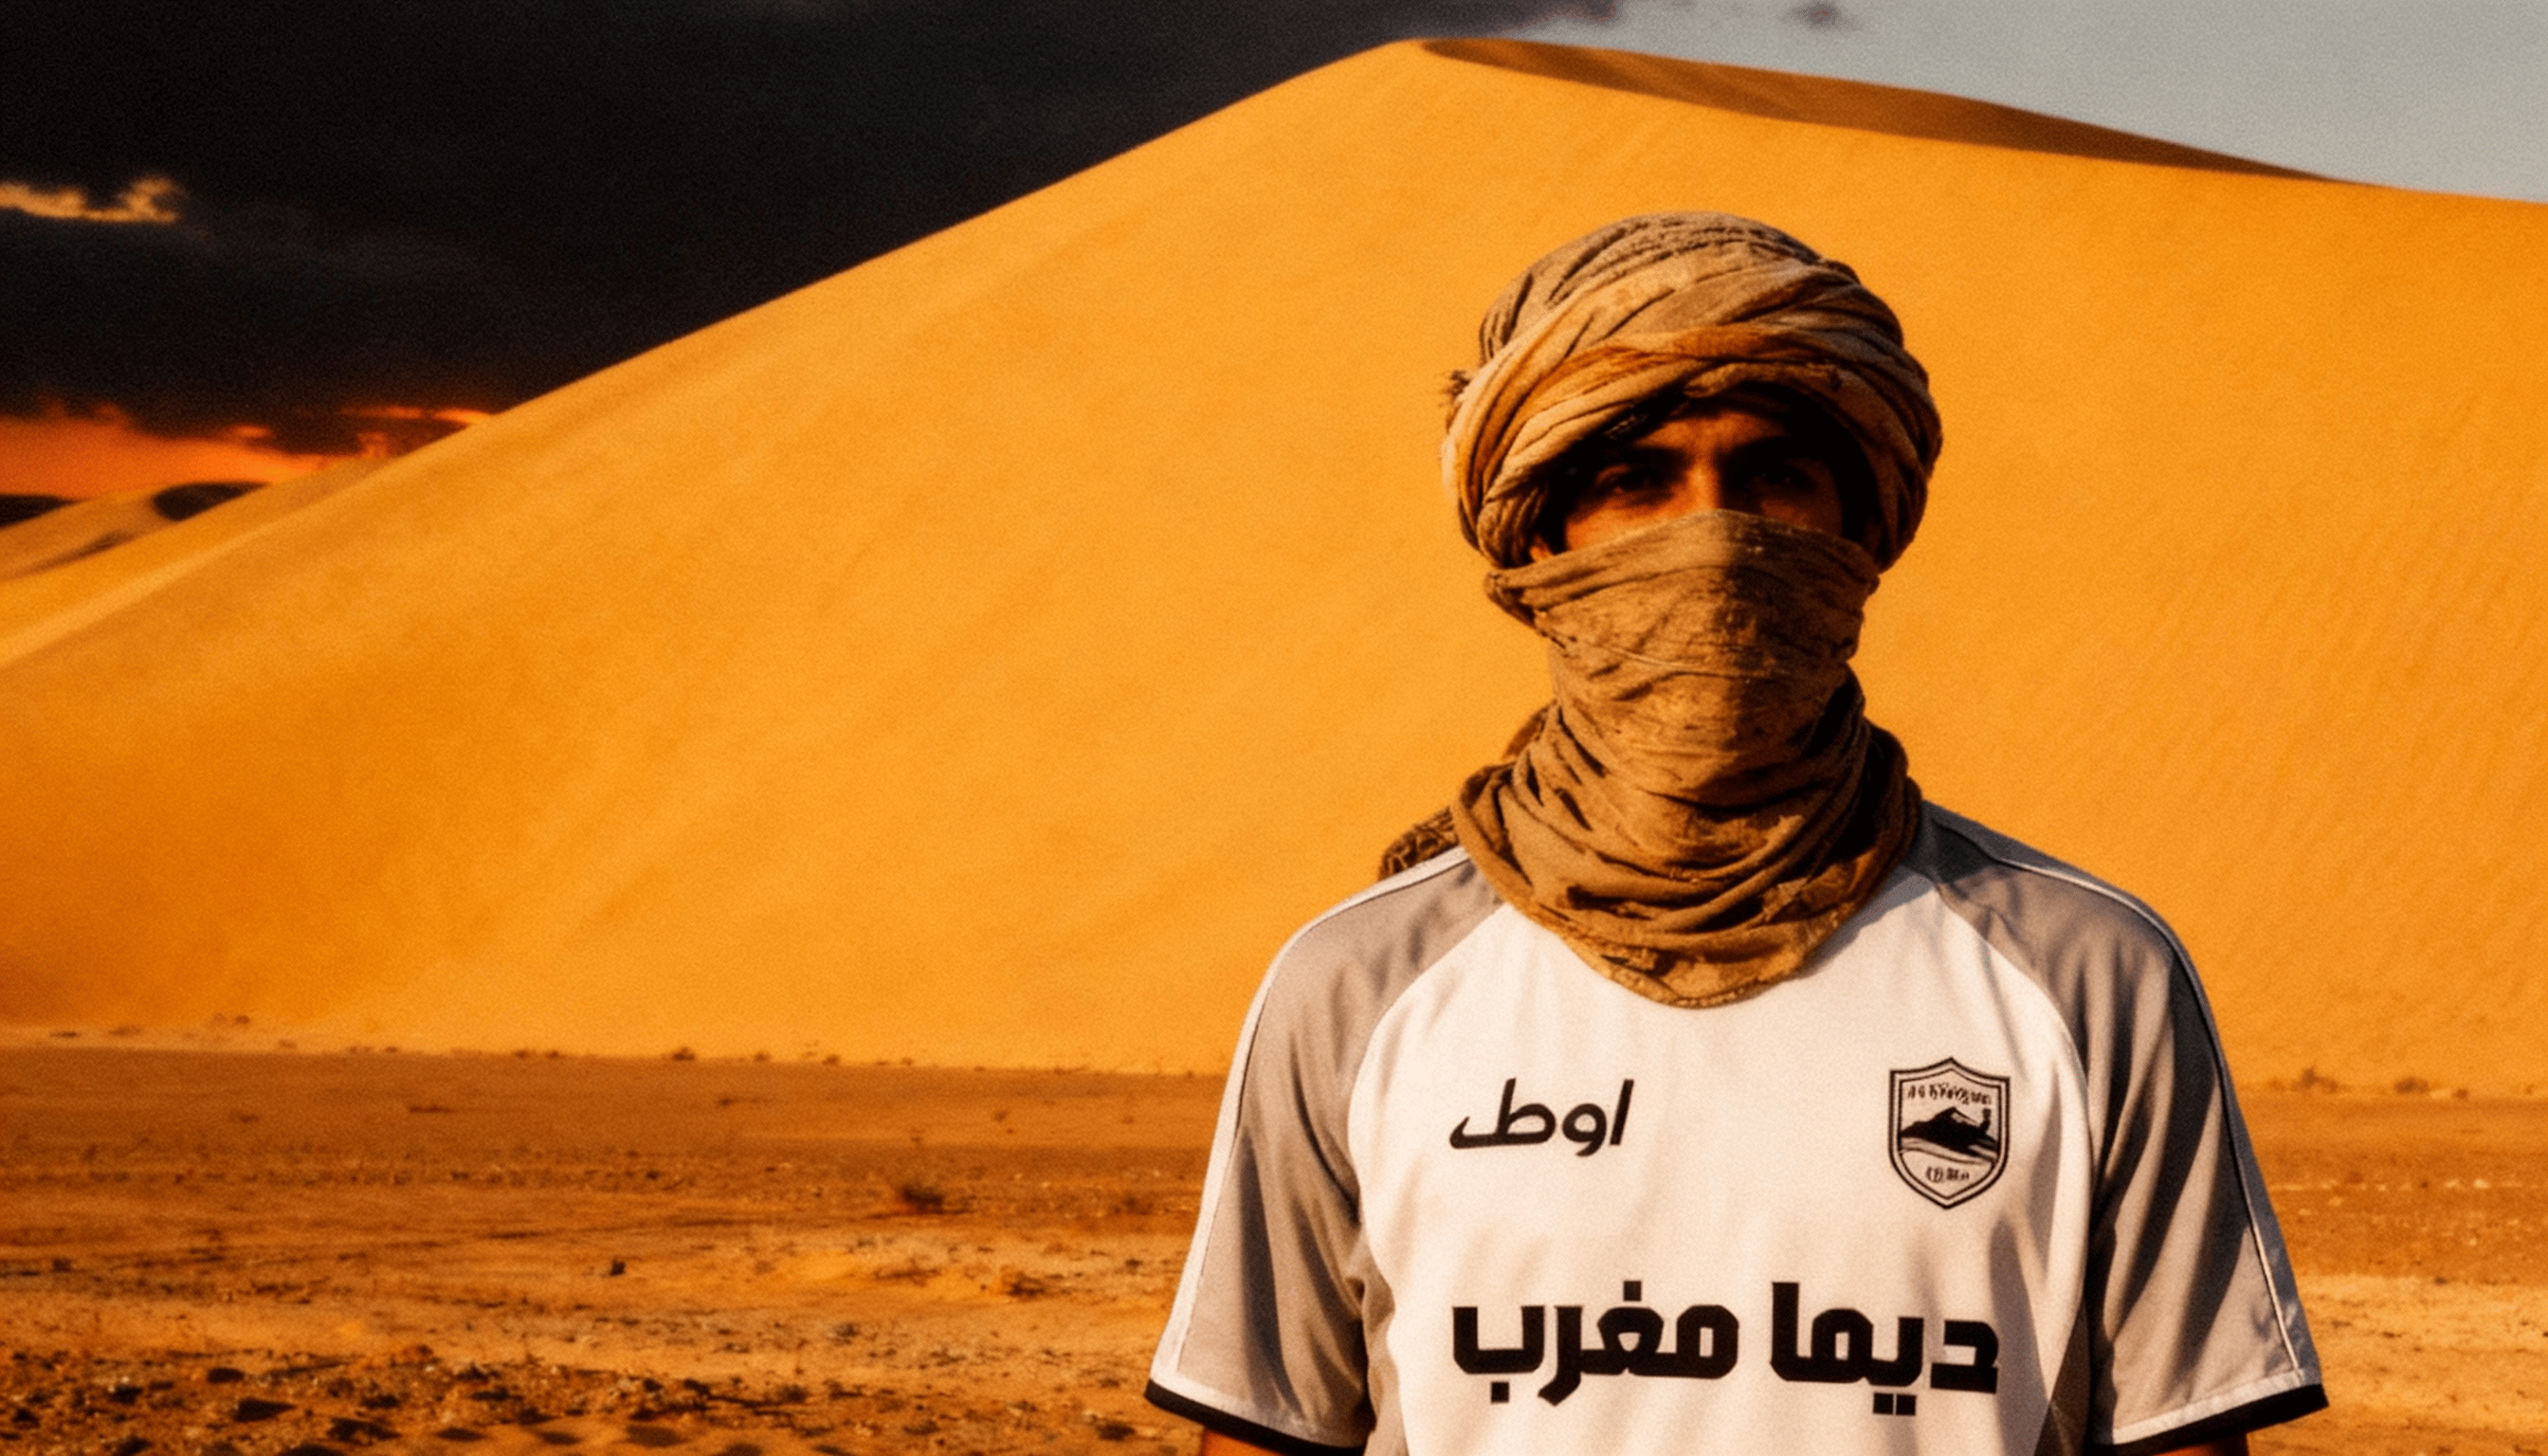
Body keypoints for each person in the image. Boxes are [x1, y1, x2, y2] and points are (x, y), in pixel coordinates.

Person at [1143, 214, 2325, 1456]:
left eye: (1771, 476)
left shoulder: (2090, 975)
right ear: (1539, 542)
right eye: (1633, 483)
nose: (1711, 538)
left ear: (1862, 529)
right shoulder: (1359, 985)